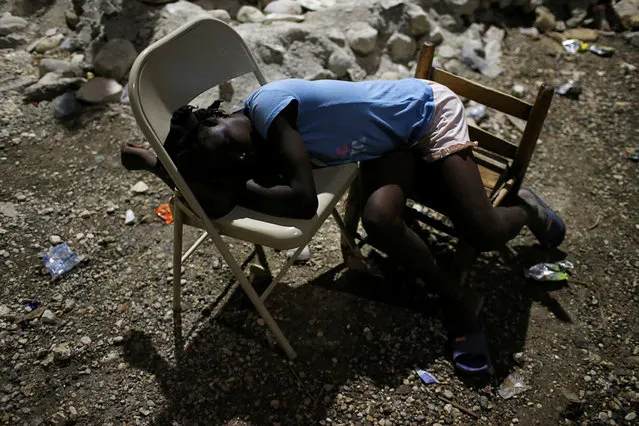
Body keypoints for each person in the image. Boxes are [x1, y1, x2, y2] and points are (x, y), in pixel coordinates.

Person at [121, 77, 566, 375]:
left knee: (483, 231)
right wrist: (159, 166)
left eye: (229, 141)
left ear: (218, 115)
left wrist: (239, 186)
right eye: (234, 160)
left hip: (424, 113)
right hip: (384, 146)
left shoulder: (270, 109)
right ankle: (458, 301)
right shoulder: (256, 149)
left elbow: (300, 202)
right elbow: (210, 195)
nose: (240, 153)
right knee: (379, 220)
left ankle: (525, 209)